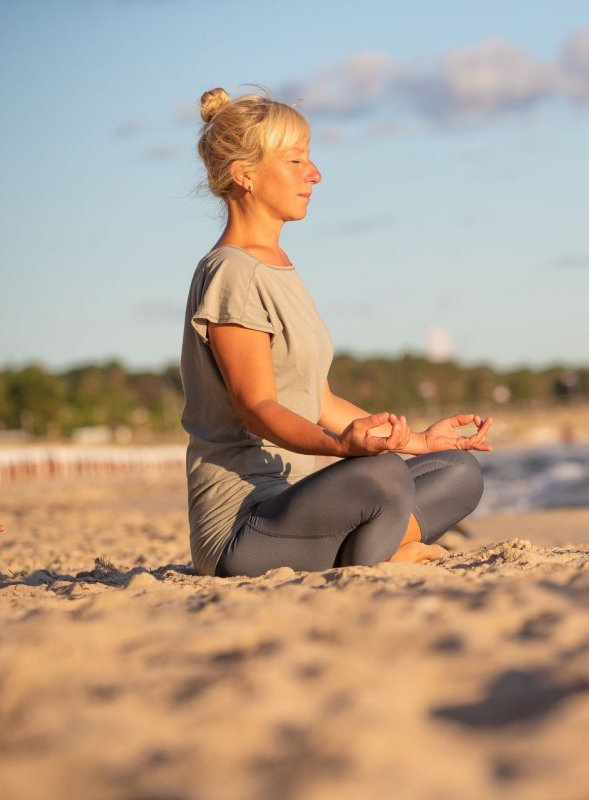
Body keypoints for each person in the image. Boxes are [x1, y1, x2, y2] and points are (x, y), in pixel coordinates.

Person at [181, 87, 491, 578]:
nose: (315, 174)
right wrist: (347, 447)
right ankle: (378, 555)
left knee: (457, 471)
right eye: (296, 161)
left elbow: (318, 401)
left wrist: (417, 442)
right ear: (245, 175)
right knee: (383, 474)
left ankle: (375, 547)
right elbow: (258, 409)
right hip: (246, 525)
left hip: (304, 503)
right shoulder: (231, 273)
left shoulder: (278, 266)